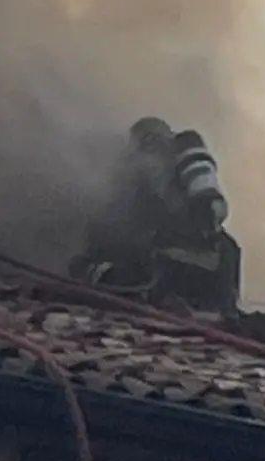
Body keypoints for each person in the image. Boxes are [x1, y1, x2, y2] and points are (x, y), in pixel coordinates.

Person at [73, 117, 241, 318]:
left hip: (158, 270)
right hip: (210, 271)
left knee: (83, 266)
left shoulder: (134, 173)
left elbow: (112, 225)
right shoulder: (195, 190)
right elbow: (213, 212)